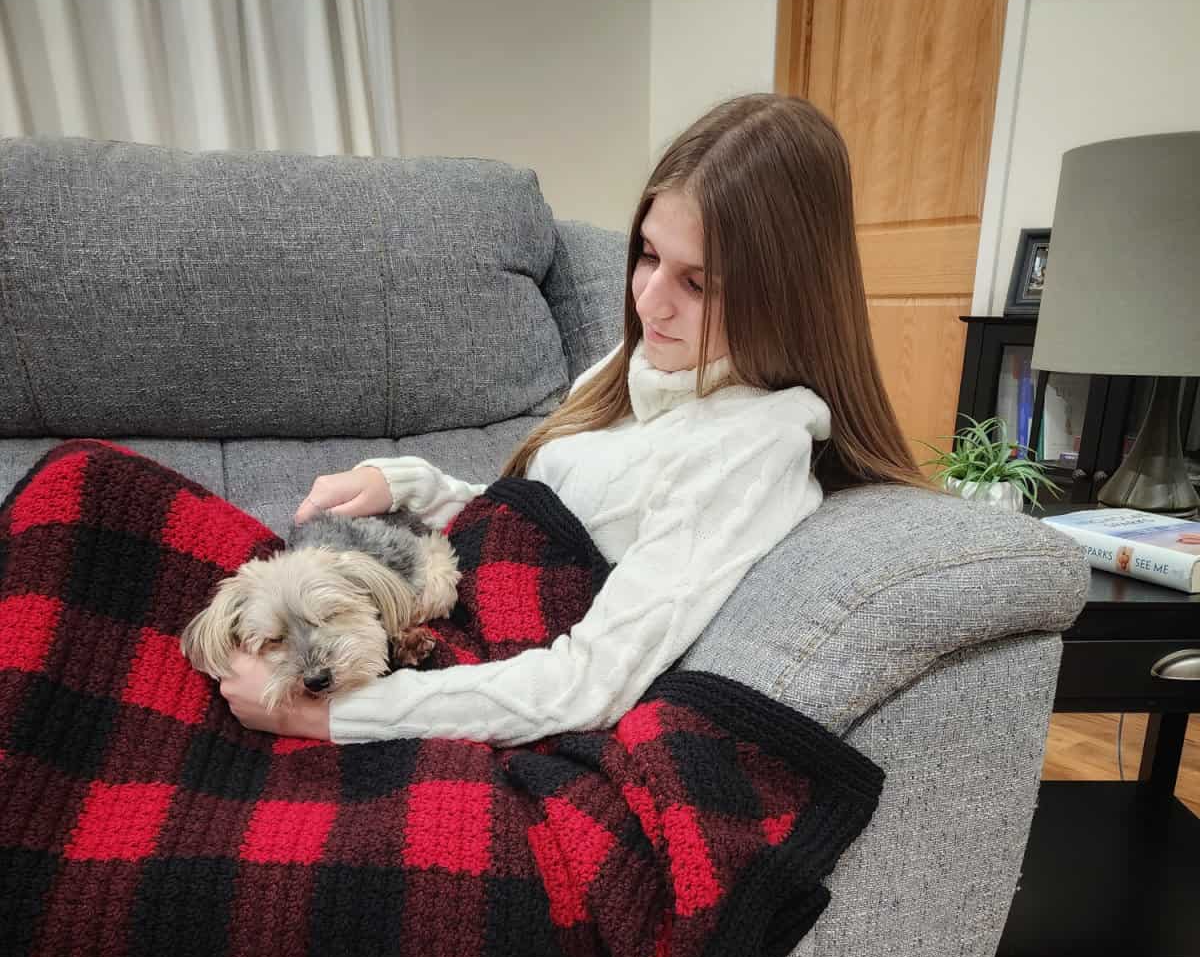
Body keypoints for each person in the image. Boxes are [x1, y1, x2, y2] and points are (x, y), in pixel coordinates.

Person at [218, 92, 951, 746]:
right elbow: (538, 524)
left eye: (696, 282)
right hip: (446, 619)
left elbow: (589, 681)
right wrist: (405, 483)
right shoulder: (640, 367)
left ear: (785, 295)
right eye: (647, 256)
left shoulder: (752, 449)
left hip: (471, 679)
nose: (649, 301)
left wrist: (335, 716)